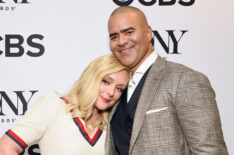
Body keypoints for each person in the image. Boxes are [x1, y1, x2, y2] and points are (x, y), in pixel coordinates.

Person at [105, 6, 228, 155]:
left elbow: (210, 151)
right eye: (114, 37)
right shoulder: (116, 88)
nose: (121, 41)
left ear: (148, 33)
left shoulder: (185, 79)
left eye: (129, 32)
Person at [0, 54, 130, 155]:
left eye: (119, 88)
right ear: (91, 77)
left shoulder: (112, 124)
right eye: (106, 81)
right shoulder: (54, 106)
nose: (111, 92)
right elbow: (5, 148)